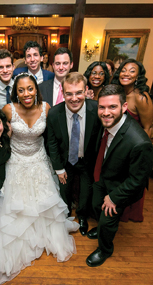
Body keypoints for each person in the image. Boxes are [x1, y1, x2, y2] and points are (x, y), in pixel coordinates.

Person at [0, 73, 79, 285]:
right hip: (15, 160)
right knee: (13, 206)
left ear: (36, 89)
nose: (26, 93)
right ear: (15, 92)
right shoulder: (8, 109)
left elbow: (54, 134)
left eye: (30, 88)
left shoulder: (46, 108)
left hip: (38, 160)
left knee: (43, 202)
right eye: (21, 90)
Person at [86, 84, 152, 267]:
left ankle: (105, 249)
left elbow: (138, 180)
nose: (106, 112)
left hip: (121, 187)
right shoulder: (106, 122)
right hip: (104, 176)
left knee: (108, 221)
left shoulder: (140, 142)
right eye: (102, 107)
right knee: (96, 205)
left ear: (124, 107)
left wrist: (114, 198)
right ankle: (100, 230)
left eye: (112, 107)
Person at [47, 72, 101, 236]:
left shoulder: (96, 110)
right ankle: (66, 216)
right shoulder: (54, 114)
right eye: (69, 93)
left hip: (87, 161)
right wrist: (58, 168)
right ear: (63, 93)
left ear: (86, 91)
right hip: (65, 161)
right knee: (65, 191)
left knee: (86, 191)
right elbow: (52, 143)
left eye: (78, 92)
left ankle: (82, 217)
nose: (74, 98)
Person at [111, 58, 153, 222]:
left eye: (132, 71)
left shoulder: (142, 98)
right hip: (114, 146)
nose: (126, 73)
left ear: (138, 76)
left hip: (131, 151)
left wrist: (140, 159)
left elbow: (148, 127)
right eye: (123, 70)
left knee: (125, 185)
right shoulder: (116, 93)